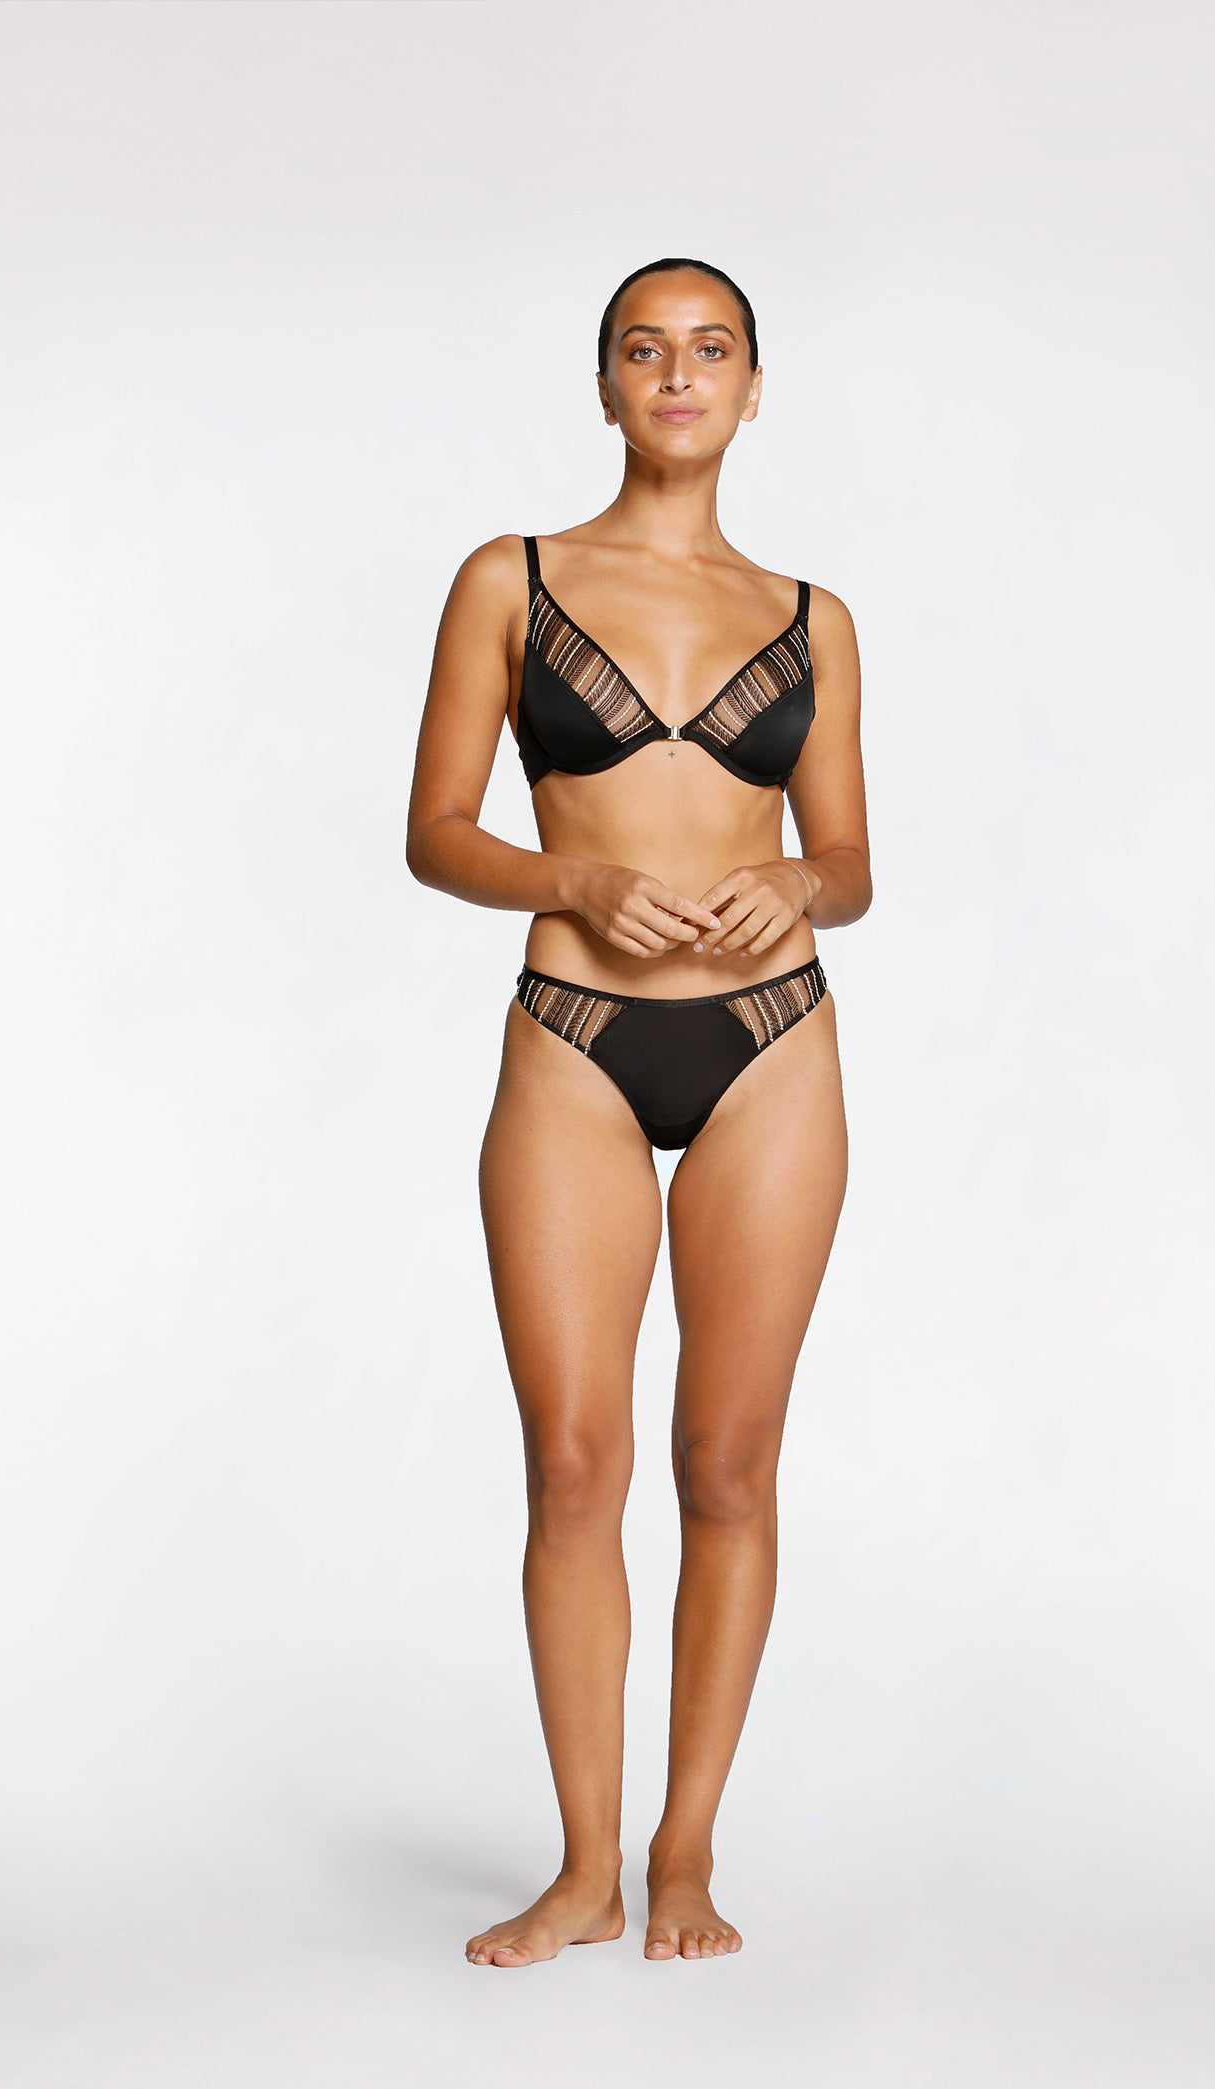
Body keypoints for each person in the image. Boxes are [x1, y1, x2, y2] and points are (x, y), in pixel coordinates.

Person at [405, 256, 872, 1965]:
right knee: (575, 1463)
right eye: (644, 349)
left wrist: (801, 885)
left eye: (710, 348)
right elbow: (436, 831)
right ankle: (584, 1868)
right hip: (574, 1037)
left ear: (753, 387)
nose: (678, 373)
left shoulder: (812, 616)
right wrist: (574, 881)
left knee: (727, 1464)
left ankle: (685, 1856)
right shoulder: (511, 579)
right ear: (605, 385)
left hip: (771, 1043)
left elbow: (852, 861)